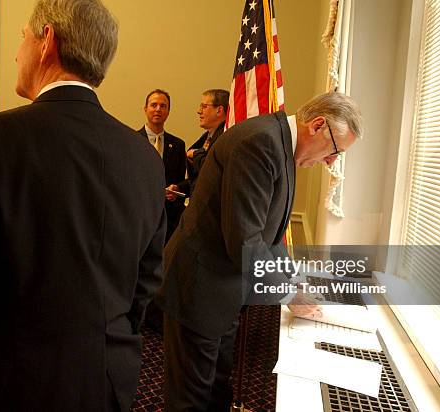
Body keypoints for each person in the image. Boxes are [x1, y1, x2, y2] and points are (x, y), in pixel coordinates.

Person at [0, 1, 166, 411]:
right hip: (109, 379)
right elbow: (146, 281)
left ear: (47, 41)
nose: (16, 52)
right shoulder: (146, 159)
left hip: (13, 384)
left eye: (22, 37)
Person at [156, 92, 363, 411]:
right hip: (197, 290)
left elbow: (273, 237)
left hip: (224, 292)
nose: (331, 161)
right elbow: (246, 243)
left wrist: (295, 285)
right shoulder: (260, 142)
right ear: (318, 125)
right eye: (335, 150)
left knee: (216, 390)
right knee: (190, 399)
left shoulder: (283, 146)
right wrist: (289, 294)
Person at [137, 89, 187, 243]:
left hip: (170, 219)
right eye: (154, 105)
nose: (158, 109)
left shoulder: (178, 145)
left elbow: (183, 180)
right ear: (145, 109)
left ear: (168, 111)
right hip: (141, 216)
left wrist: (176, 189)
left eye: (163, 106)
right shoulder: (132, 141)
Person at [172, 89, 229, 197]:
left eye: (204, 106)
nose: (199, 111)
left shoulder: (225, 138)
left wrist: (195, 155)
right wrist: (181, 188)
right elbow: (201, 177)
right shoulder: (207, 137)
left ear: (219, 110)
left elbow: (213, 171)